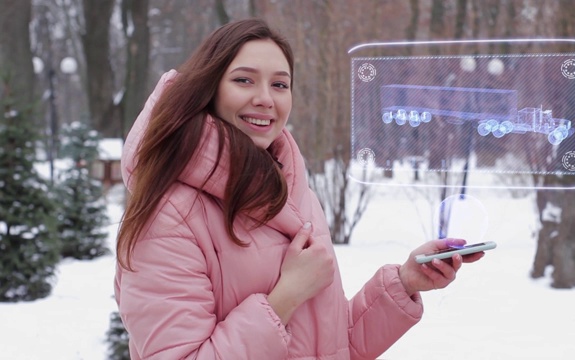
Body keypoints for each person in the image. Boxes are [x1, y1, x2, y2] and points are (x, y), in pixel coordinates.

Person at [114, 18, 485, 360]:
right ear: (207, 90)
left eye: (280, 84)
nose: (265, 98)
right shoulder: (168, 217)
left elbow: (332, 346)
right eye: (244, 80)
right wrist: (285, 297)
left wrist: (405, 282)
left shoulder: (292, 193)